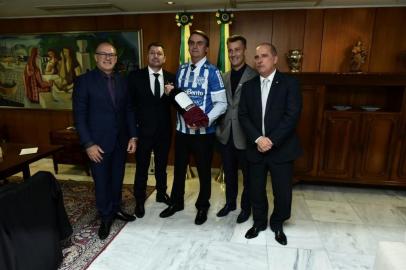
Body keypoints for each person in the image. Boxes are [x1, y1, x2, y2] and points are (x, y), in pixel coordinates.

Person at [160, 30, 227, 225]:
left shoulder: (213, 72)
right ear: (188, 46)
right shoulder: (181, 70)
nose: (195, 46)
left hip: (203, 134)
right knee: (179, 169)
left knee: (204, 171)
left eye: (199, 43)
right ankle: (176, 202)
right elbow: (179, 99)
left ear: (206, 49)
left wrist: (205, 120)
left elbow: (221, 103)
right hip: (182, 132)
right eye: (192, 43)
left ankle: (202, 206)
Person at [238, 43, 302, 244]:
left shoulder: (289, 84)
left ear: (275, 59)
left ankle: (277, 223)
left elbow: (292, 116)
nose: (259, 60)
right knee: (256, 189)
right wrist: (258, 139)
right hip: (256, 148)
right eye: (256, 57)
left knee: (282, 192)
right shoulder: (248, 87)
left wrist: (271, 141)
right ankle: (259, 223)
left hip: (281, 149)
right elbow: (243, 116)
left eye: (264, 56)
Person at [73, 42, 137, 240]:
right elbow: (79, 116)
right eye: (103, 54)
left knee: (117, 178)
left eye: (112, 55)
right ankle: (105, 216)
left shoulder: (122, 80)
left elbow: (128, 110)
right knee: (101, 182)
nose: (108, 58)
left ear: (116, 59)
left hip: (120, 142)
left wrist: (133, 135)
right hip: (97, 144)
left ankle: (116, 208)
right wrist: (88, 144)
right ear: (96, 57)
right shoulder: (84, 81)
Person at [127, 42, 175, 218]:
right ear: (147, 56)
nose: (156, 56)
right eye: (152, 53)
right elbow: (130, 107)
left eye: (159, 53)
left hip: (164, 132)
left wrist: (174, 94)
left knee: (162, 167)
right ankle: (139, 199)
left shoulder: (171, 78)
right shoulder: (135, 77)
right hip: (143, 132)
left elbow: (177, 105)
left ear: (164, 58)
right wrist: (133, 133)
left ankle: (162, 193)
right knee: (142, 167)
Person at [216, 35, 258, 223]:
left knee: (248, 177)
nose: (233, 54)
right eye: (230, 50)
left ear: (244, 50)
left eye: (237, 50)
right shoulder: (223, 76)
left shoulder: (254, 76)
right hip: (226, 135)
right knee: (229, 173)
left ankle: (245, 208)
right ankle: (230, 203)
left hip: (246, 136)